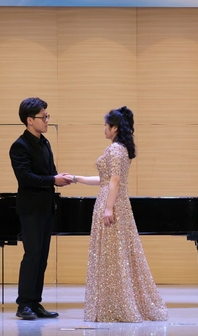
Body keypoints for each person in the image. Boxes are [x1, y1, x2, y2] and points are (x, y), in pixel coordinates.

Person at [64, 106, 168, 323]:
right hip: (118, 201)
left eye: (106, 125)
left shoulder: (114, 150)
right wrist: (75, 178)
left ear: (115, 128)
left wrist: (108, 208)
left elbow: (114, 180)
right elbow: (105, 180)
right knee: (117, 255)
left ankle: (115, 306)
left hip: (111, 202)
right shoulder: (122, 150)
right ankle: (117, 303)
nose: (103, 128)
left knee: (112, 256)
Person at [9, 97, 71, 320]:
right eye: (43, 117)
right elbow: (25, 177)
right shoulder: (19, 146)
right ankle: (23, 304)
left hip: (46, 207)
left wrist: (59, 178)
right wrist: (53, 179)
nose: (46, 120)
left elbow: (49, 172)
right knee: (32, 255)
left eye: (47, 116)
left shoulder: (45, 143)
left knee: (42, 256)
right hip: (31, 209)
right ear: (29, 120)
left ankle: (35, 303)